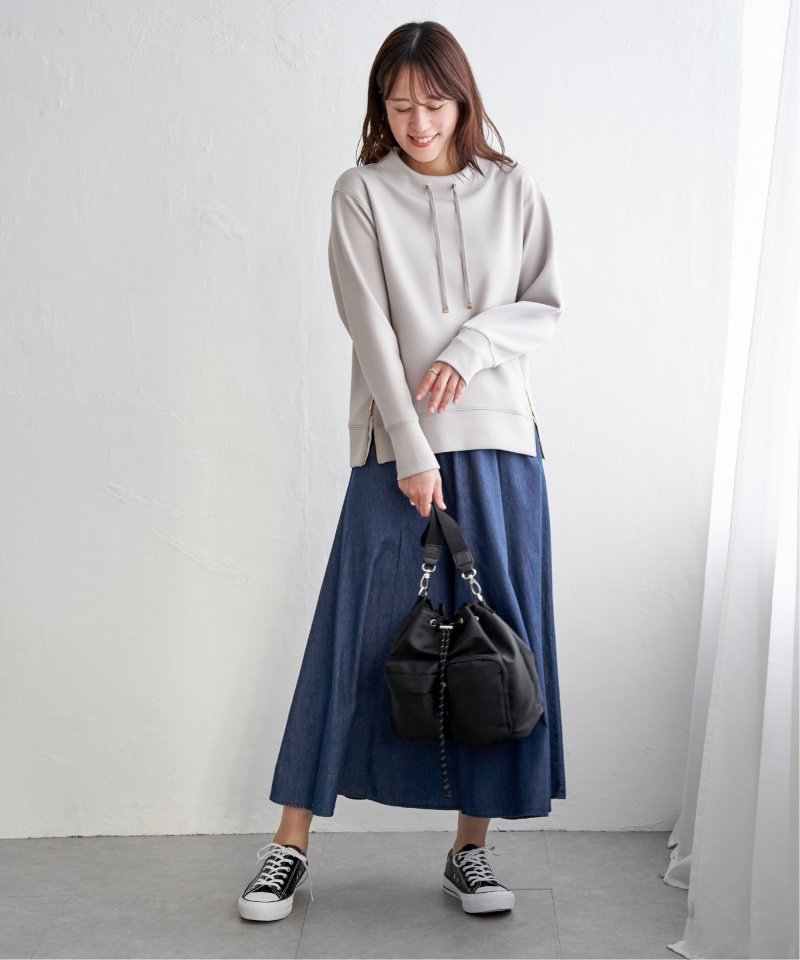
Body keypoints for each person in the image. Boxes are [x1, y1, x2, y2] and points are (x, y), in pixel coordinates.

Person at [238, 20, 566, 924]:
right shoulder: (361, 193)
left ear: (463, 101)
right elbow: (370, 328)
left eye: (434, 103)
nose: (417, 122)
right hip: (398, 448)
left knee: (495, 646)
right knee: (353, 635)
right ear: (379, 108)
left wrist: (472, 344)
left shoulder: (514, 189)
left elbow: (542, 306)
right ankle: (289, 844)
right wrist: (411, 448)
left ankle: (471, 850)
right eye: (398, 105)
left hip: (502, 445)